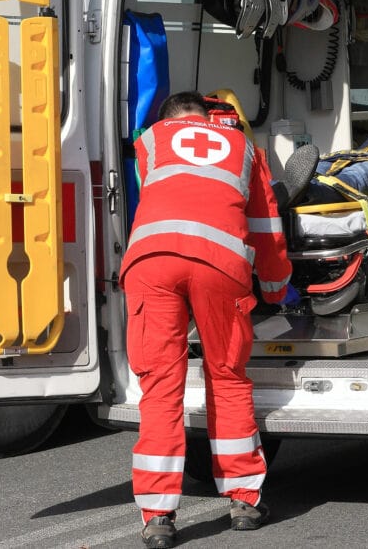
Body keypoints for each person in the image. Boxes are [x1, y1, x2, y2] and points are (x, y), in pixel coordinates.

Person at [119, 91, 296, 548]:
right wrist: (275, 289)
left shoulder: (151, 141)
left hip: (152, 263)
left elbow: (156, 198)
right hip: (220, 264)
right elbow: (265, 224)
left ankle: (158, 517)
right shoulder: (244, 148)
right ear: (208, 116)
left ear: (169, 119)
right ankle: (244, 501)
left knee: (159, 386)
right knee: (227, 376)